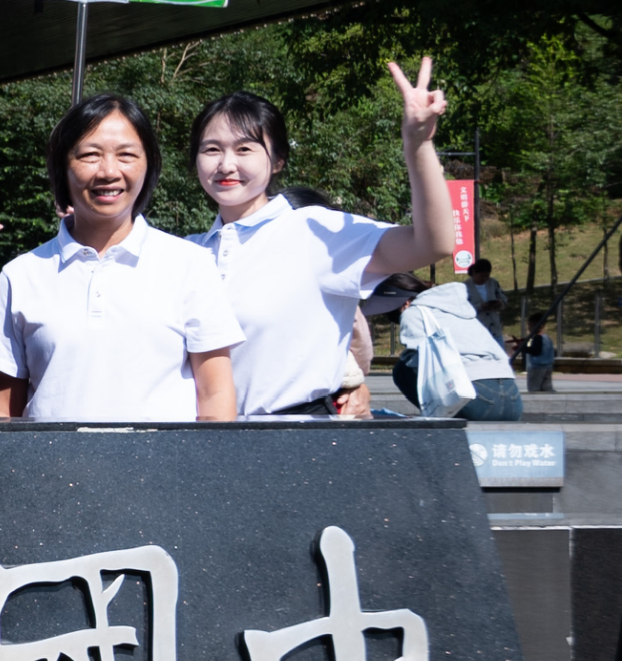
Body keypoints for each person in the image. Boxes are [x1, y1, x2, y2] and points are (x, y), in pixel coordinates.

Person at [186, 62, 460, 416]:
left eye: (244, 149)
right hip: (204, 436)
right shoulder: (187, 252)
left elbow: (431, 244)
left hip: (298, 436)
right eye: (211, 149)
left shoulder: (313, 232)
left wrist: (418, 144)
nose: (225, 164)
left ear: (278, 160)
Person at [0, 94, 243, 421]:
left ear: (148, 164)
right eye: (90, 155)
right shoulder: (21, 275)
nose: (109, 171)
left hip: (163, 456)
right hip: (50, 456)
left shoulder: (190, 265)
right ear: (62, 166)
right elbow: (4, 407)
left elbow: (215, 395)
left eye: (126, 155)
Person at [393, 275, 525, 419]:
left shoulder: (412, 312)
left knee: (402, 369)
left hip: (473, 399)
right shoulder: (461, 309)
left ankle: (436, 415)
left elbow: (417, 363)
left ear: (405, 303)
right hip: (513, 401)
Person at [467, 259, 509, 345]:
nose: (485, 279)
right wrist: (481, 306)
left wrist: (499, 304)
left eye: (487, 276)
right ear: (474, 273)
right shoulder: (465, 286)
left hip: (495, 330)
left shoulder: (493, 283)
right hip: (478, 330)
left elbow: (503, 298)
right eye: (482, 276)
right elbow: (464, 309)